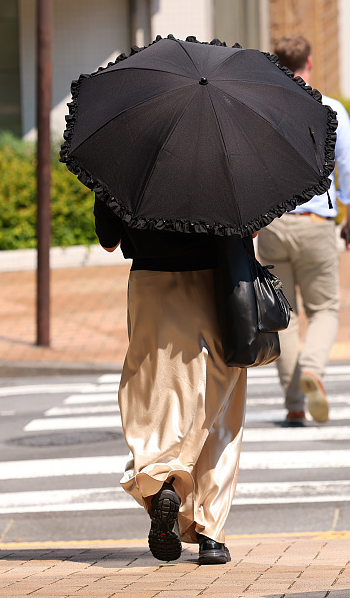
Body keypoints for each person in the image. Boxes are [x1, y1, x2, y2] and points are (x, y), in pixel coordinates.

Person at [94, 197, 243, 565]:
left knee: (155, 396)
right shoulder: (225, 155)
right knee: (218, 406)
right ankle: (210, 533)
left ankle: (163, 481)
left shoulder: (124, 157)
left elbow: (109, 240)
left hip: (150, 285)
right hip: (215, 282)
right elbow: (250, 226)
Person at [259, 34, 350, 426]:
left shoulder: (263, 111)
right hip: (317, 223)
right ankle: (313, 371)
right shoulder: (330, 111)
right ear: (310, 62)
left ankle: (293, 404)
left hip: (272, 224)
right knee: (324, 309)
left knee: (282, 315)